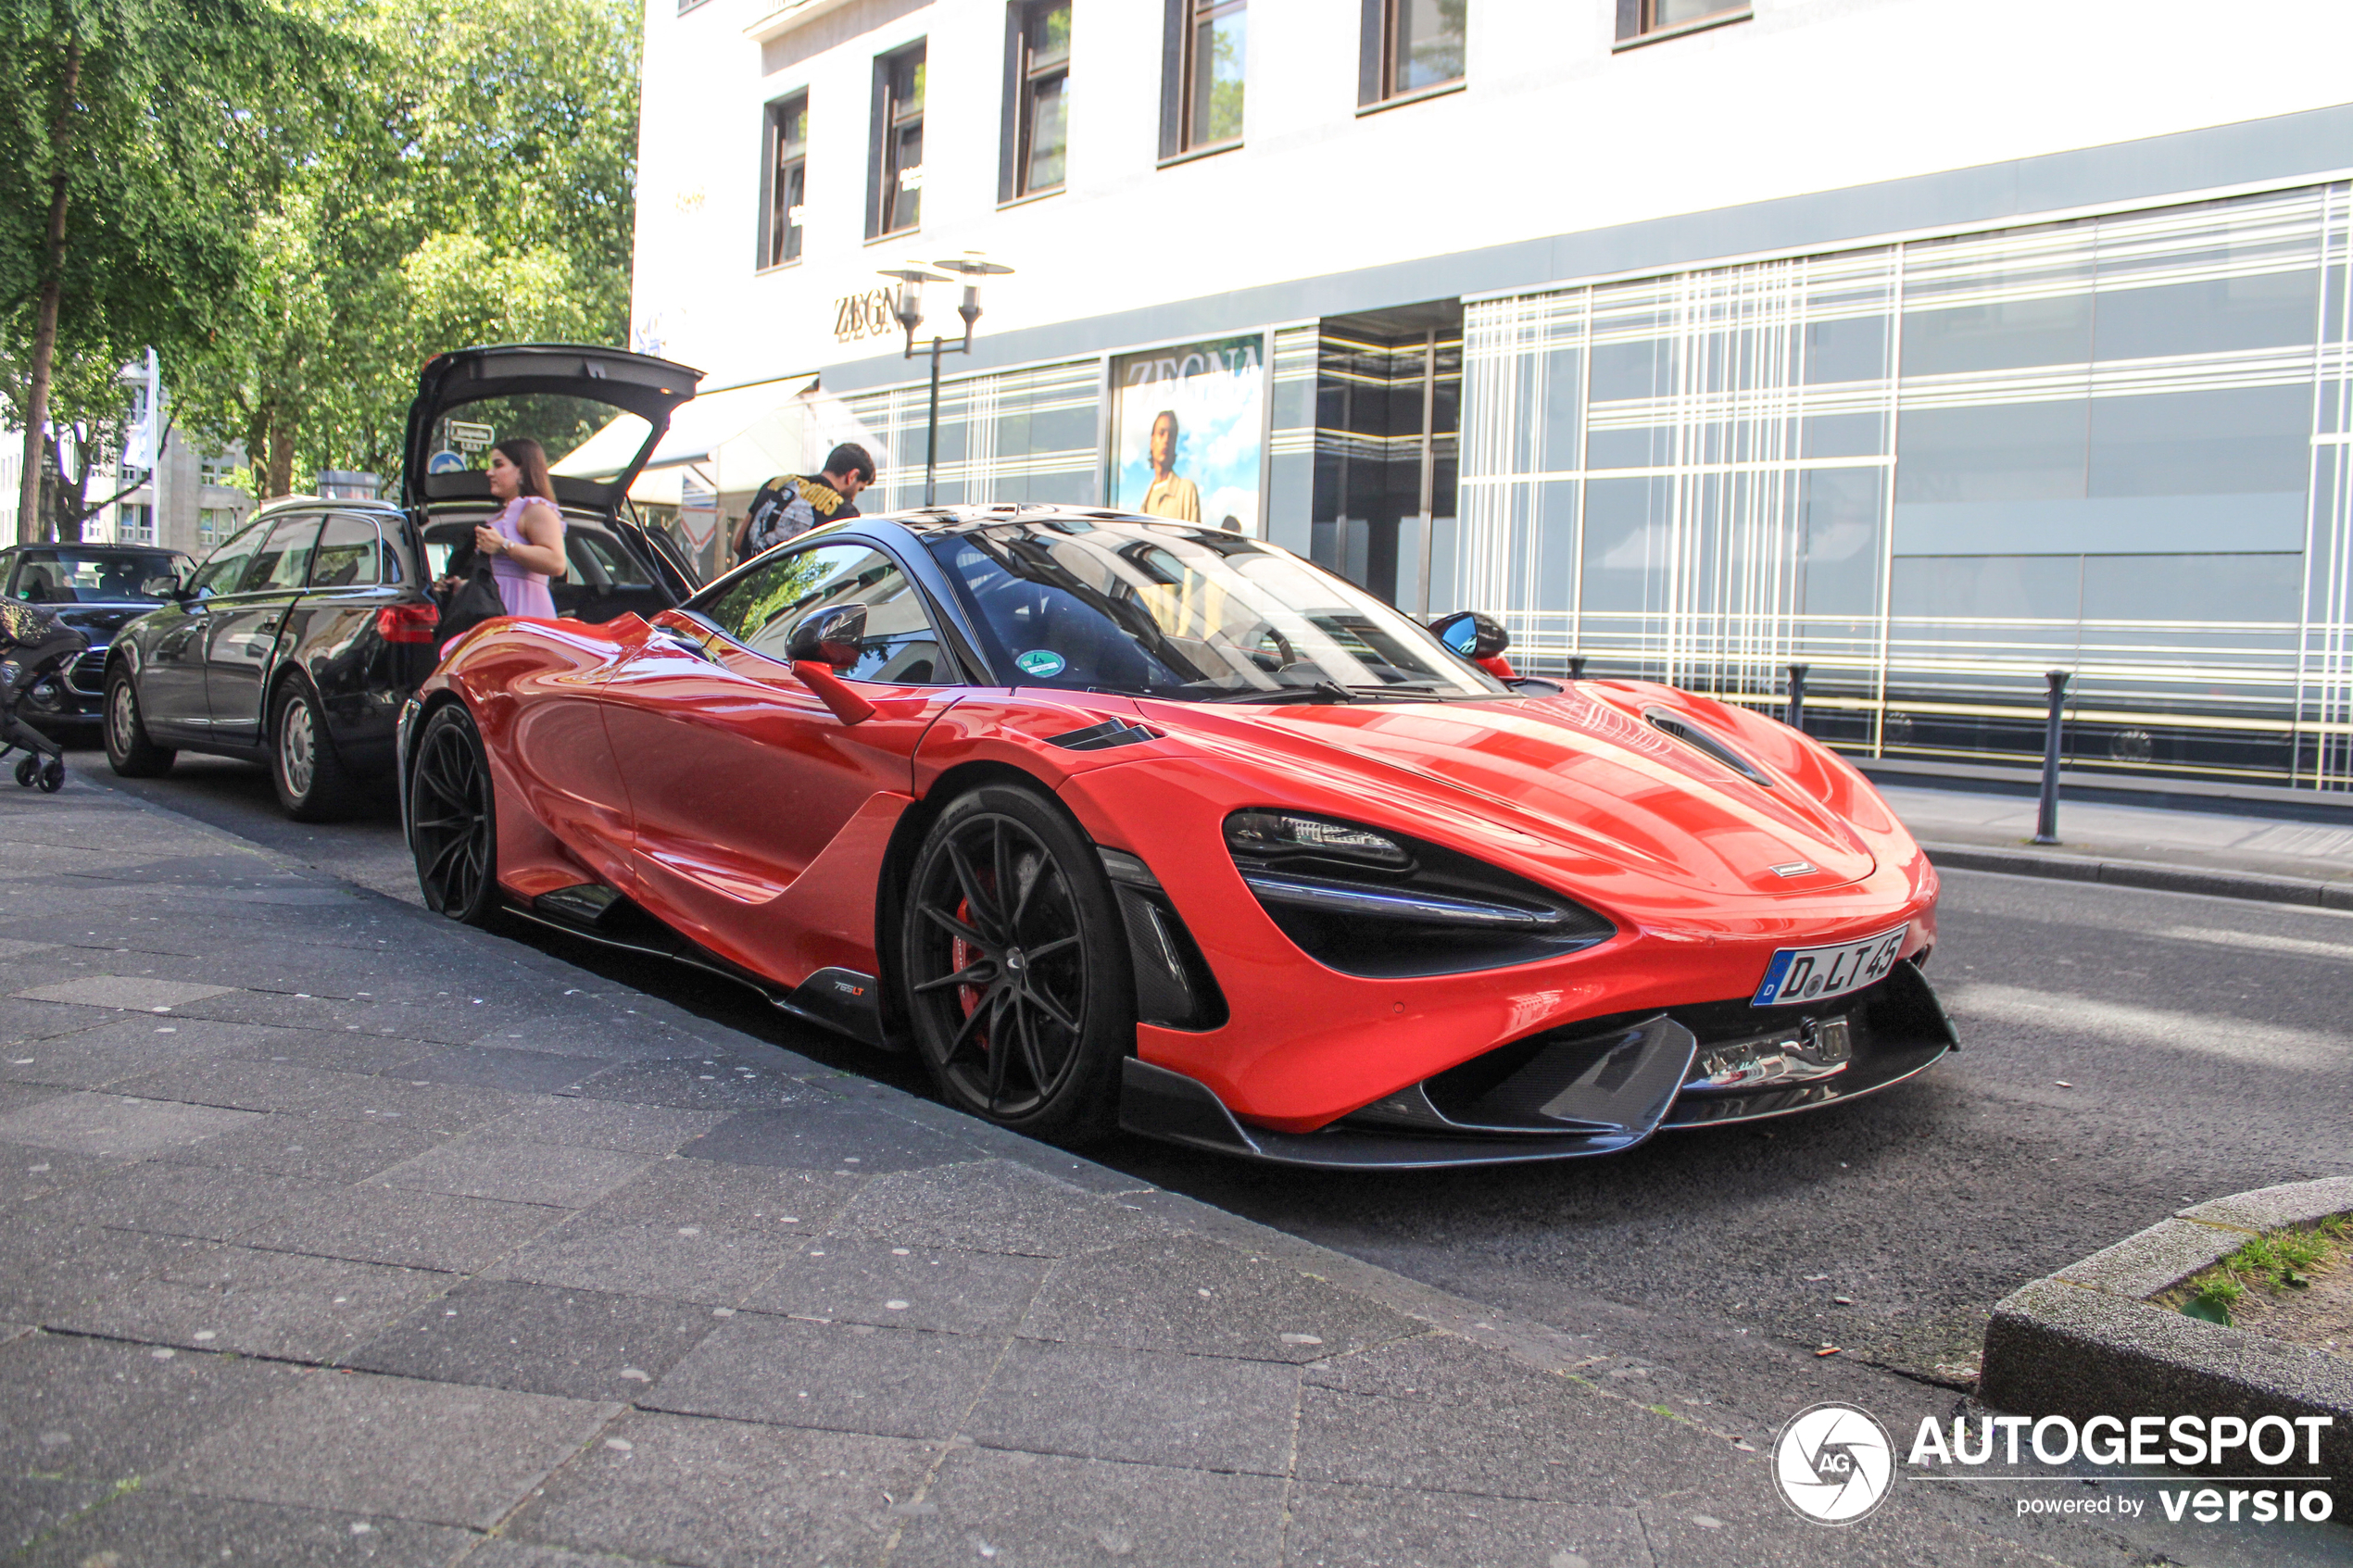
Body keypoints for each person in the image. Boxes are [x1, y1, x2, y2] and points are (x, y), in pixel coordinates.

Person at [444, 438, 567, 617]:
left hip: (525, 614)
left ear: (522, 470)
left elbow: (556, 563)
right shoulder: (503, 515)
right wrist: (465, 586)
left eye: (498, 465)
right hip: (498, 615)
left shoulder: (536, 509)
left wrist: (504, 546)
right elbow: (504, 574)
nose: (489, 473)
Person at [733, 443, 875, 565]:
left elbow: (738, 544)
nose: (855, 497)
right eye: (859, 488)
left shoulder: (776, 483)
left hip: (741, 591)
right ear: (852, 476)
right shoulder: (845, 513)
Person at [1139, 410, 1201, 522]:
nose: (1166, 440)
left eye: (1171, 436)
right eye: (1161, 433)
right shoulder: (1146, 500)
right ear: (1152, 441)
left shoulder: (1186, 490)